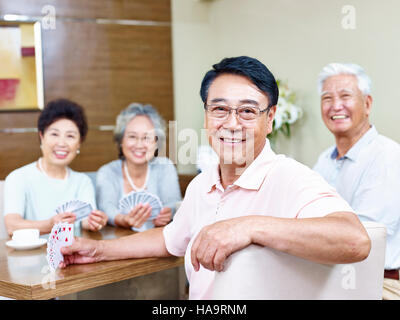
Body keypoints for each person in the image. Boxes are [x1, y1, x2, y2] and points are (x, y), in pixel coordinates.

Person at [60, 56, 370, 300]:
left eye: (248, 112)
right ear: (207, 116)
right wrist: (98, 250)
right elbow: (169, 239)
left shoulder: (288, 176)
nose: (232, 123)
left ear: (270, 119)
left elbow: (354, 240)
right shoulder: (201, 184)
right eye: (219, 109)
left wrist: (249, 226)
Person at [313, 63, 400, 300]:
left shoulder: (388, 156)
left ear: (367, 104)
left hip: (380, 286)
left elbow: (362, 238)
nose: (335, 106)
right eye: (327, 98)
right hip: (332, 280)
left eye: (345, 96)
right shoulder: (324, 160)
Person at [4, 99, 108, 235]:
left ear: (79, 143)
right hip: (31, 255)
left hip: (72, 253)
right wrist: (49, 225)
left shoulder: (82, 182)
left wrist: (96, 222)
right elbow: (12, 226)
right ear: (41, 137)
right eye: (54, 134)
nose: (62, 143)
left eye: (70, 136)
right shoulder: (18, 178)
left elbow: (86, 222)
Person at [95, 103, 181, 231]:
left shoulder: (165, 167)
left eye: (147, 138)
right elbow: (106, 207)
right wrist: (123, 220)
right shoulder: (107, 172)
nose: (139, 144)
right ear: (121, 141)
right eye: (132, 136)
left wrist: (168, 213)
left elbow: (174, 202)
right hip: (119, 243)